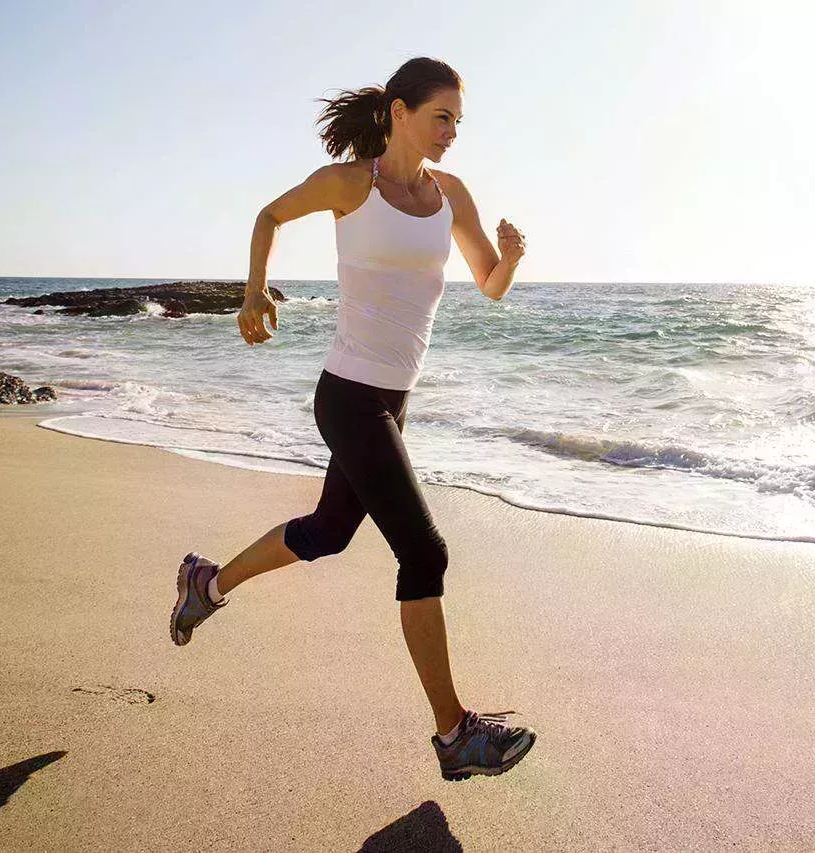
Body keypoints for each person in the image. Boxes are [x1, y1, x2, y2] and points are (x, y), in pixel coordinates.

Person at [169, 57, 535, 781]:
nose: (452, 132)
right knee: (424, 554)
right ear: (399, 112)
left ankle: (206, 584)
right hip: (347, 397)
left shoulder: (451, 194)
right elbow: (269, 214)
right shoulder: (351, 185)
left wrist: (514, 258)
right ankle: (454, 733)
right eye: (442, 117)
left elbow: (489, 285)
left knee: (328, 532)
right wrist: (253, 293)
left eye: (459, 121)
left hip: (393, 401)